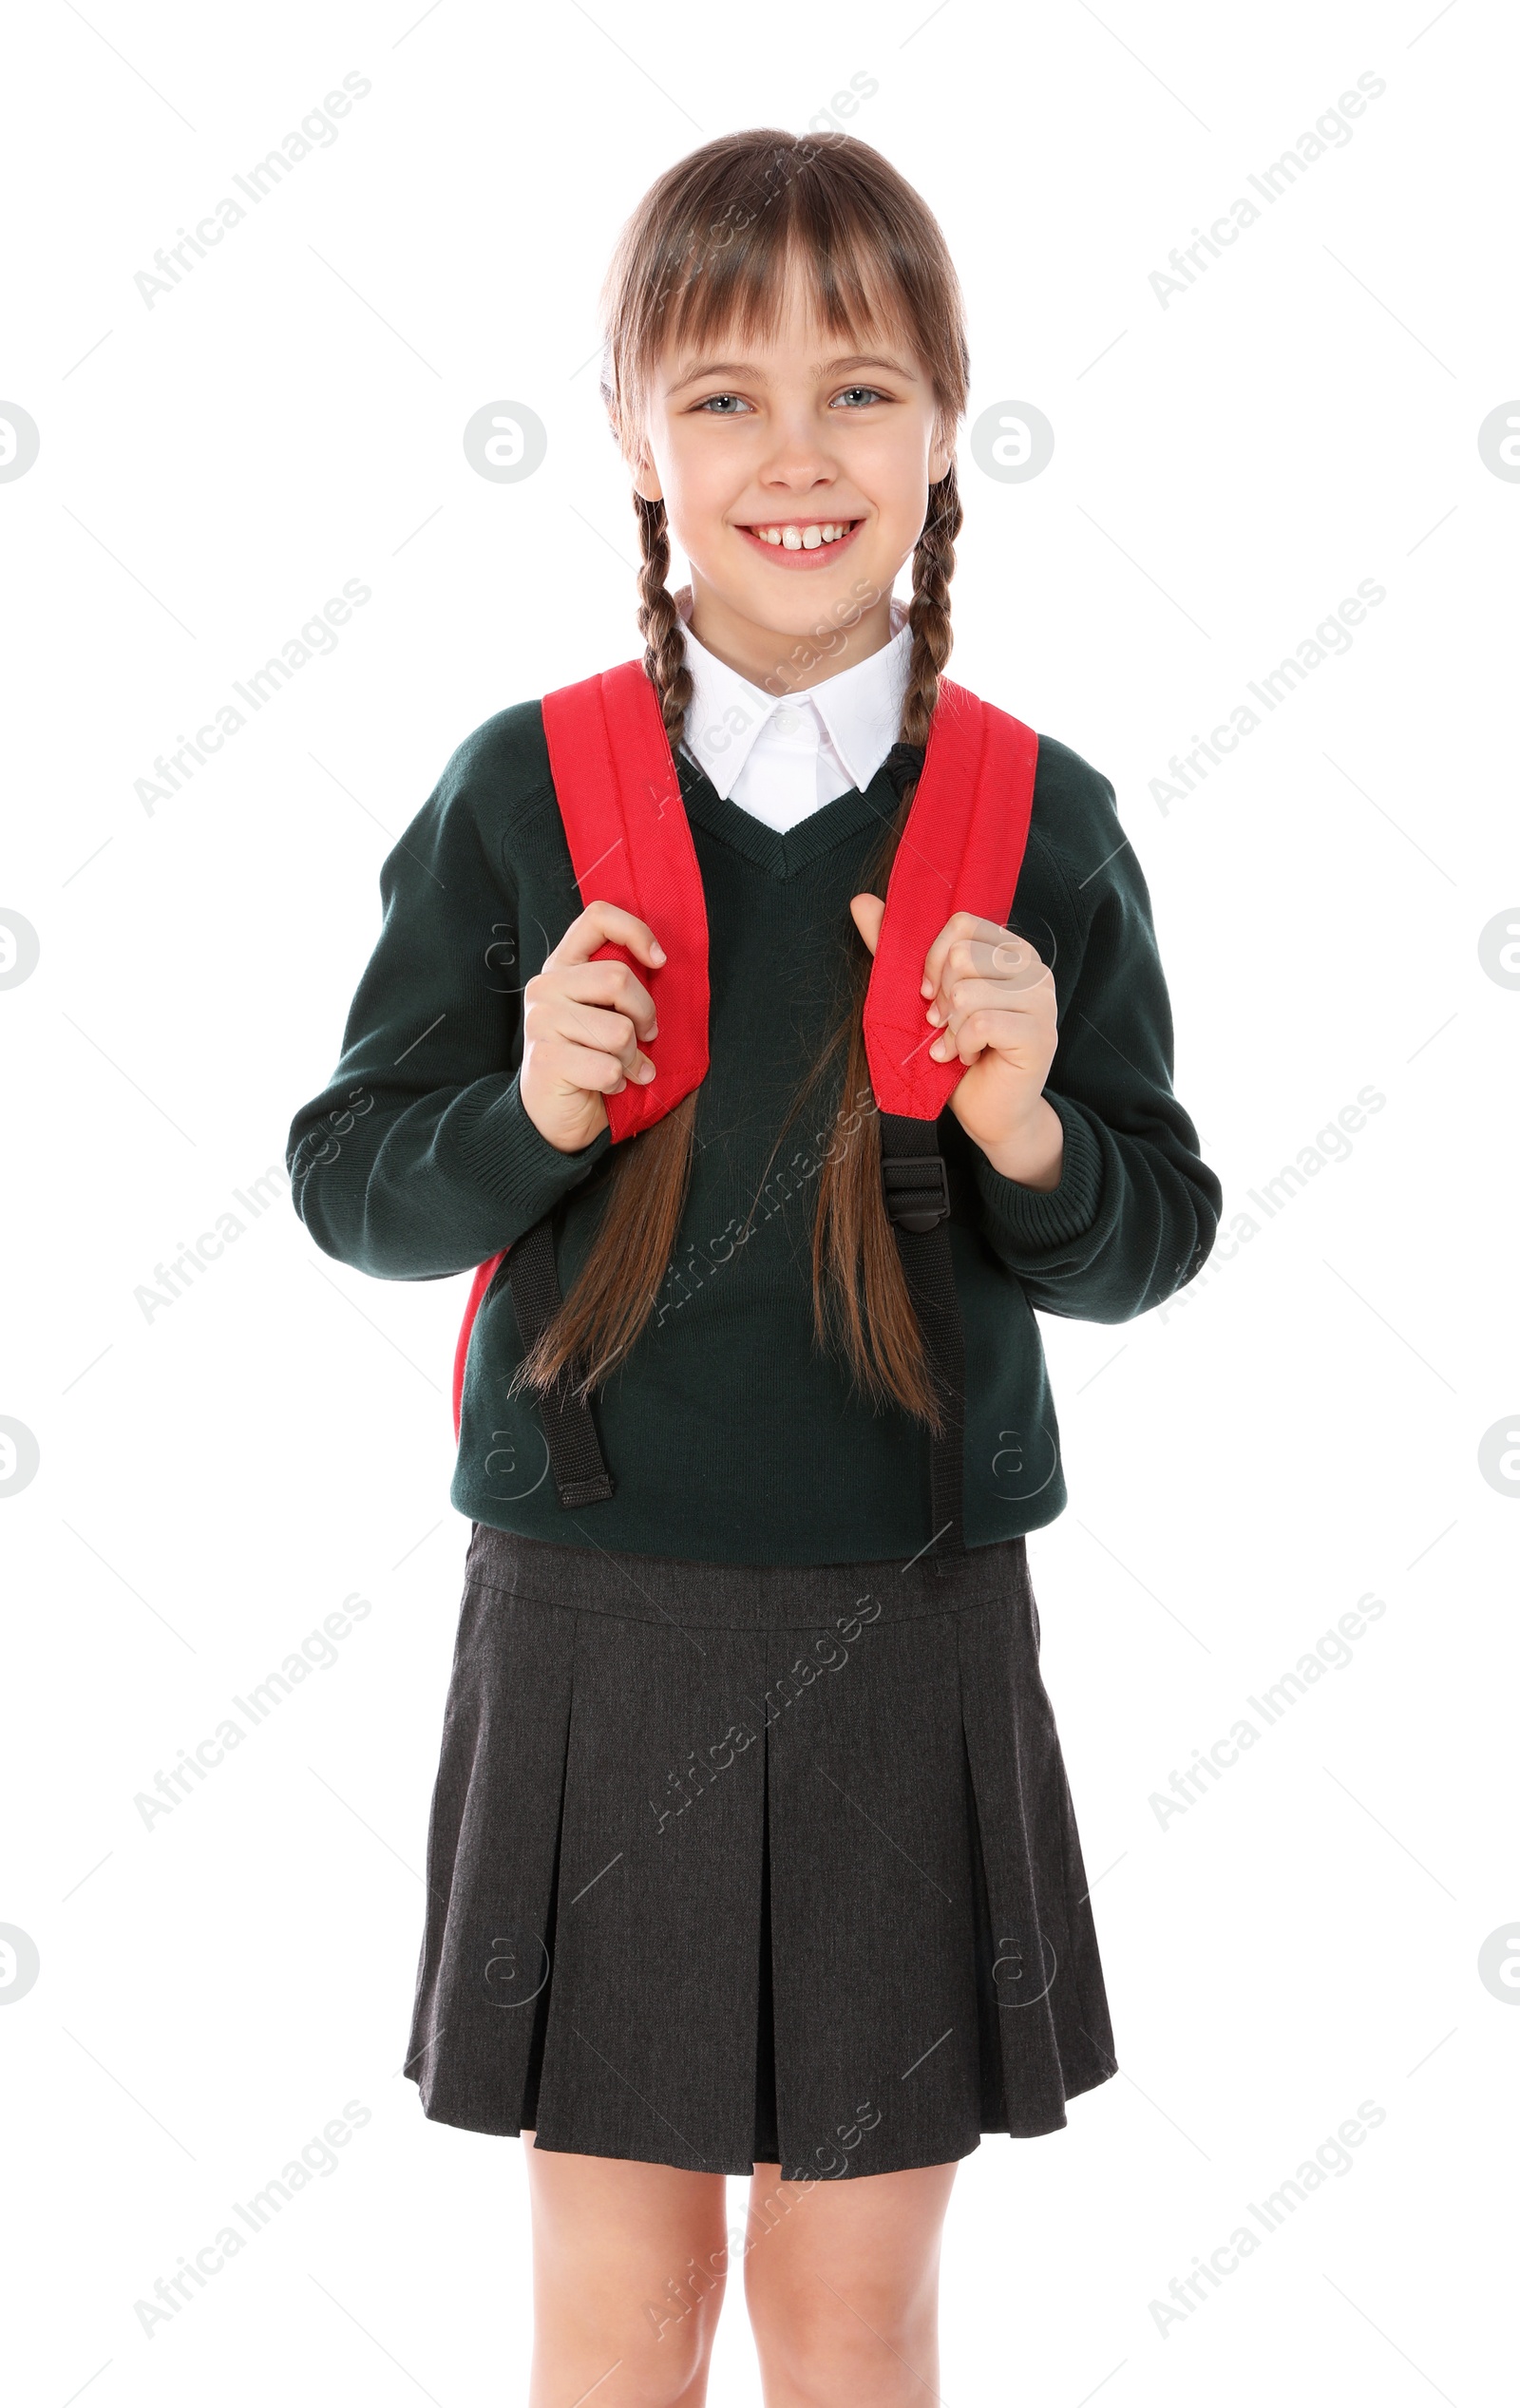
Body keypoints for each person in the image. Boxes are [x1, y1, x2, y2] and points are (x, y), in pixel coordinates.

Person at [287, 128, 1222, 2408]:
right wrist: (520, 1105)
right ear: (627, 432)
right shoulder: (525, 790)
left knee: (853, 2309)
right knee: (614, 2307)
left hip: (906, 1608)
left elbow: (1148, 1228)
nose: (793, 454)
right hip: (597, 1613)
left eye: (859, 388)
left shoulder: (1037, 815)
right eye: (721, 393)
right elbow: (348, 1181)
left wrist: (1019, 1116)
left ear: (945, 422)